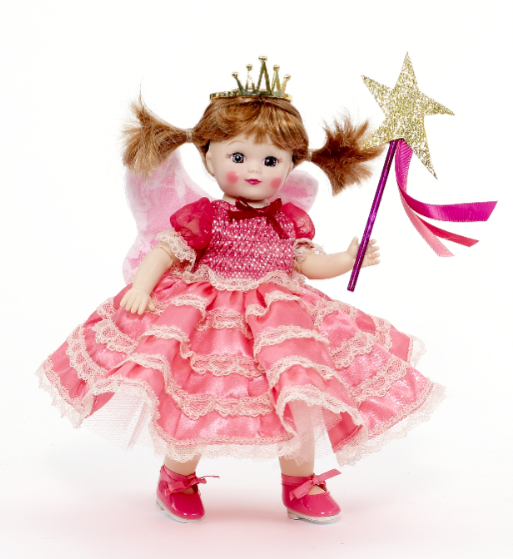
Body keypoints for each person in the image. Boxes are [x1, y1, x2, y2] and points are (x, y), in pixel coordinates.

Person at [37, 57, 444, 524]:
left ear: (291, 165)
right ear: (208, 157)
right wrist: (142, 287)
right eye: (238, 157)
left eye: (271, 160)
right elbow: (167, 250)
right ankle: (176, 476)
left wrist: (345, 260)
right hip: (210, 318)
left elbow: (305, 263)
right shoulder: (206, 216)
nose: (255, 170)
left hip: (282, 321)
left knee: (298, 396)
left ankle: (299, 483)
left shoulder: (287, 220)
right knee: (193, 394)